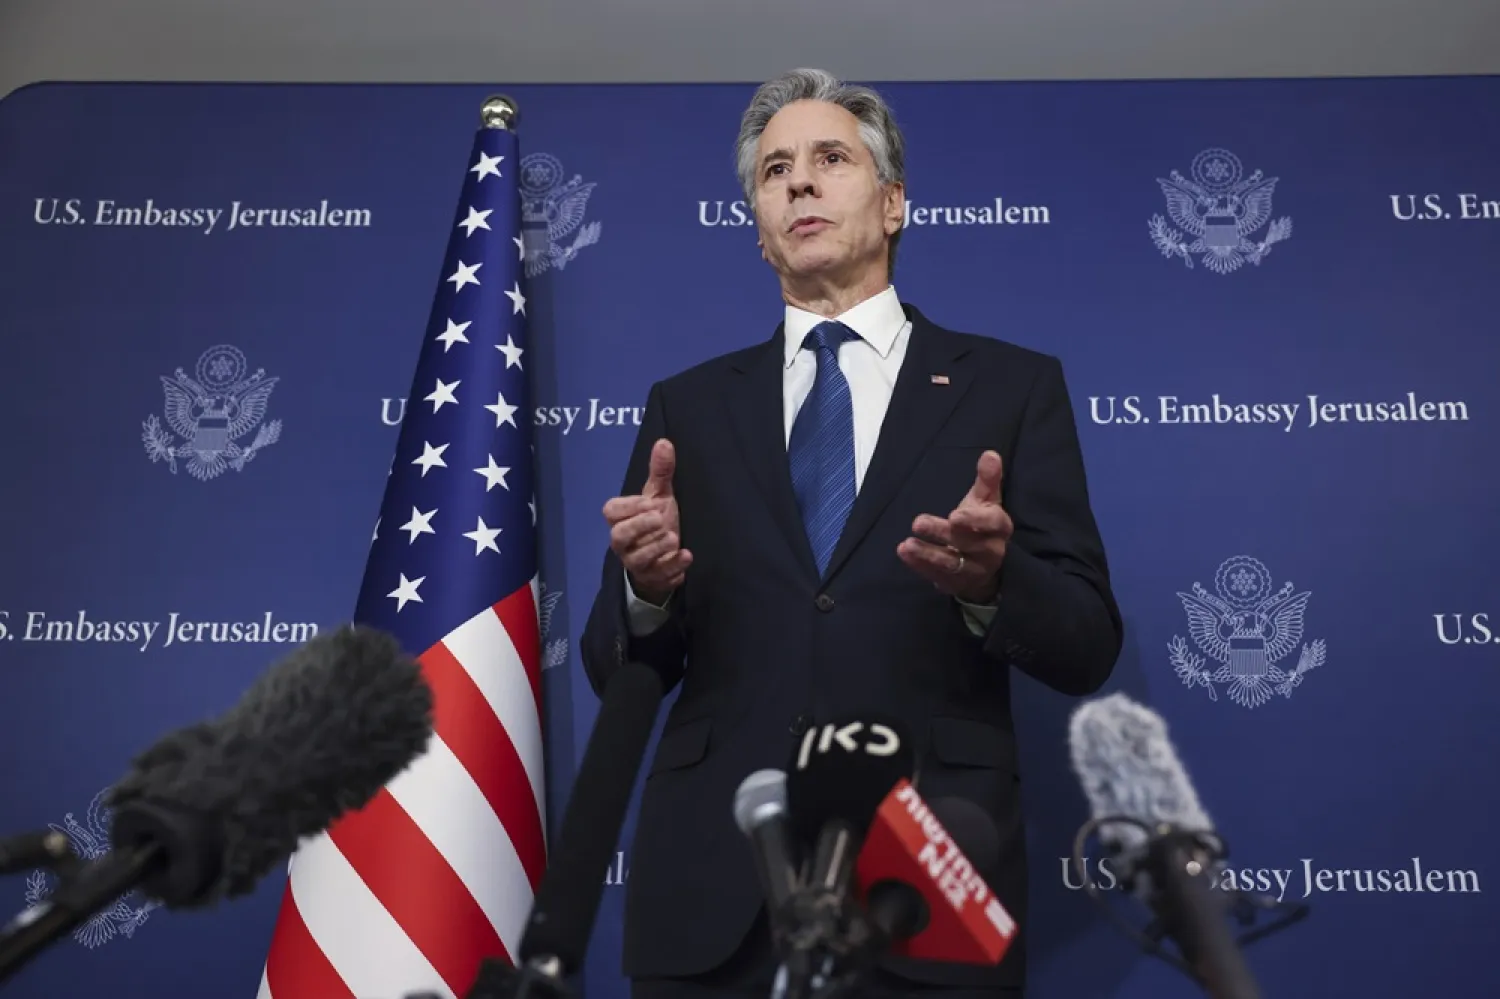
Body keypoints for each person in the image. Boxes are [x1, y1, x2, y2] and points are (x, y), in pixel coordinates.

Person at [580, 67, 1122, 999]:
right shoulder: (691, 406)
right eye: (775, 169)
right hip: (718, 890)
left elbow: (1087, 644)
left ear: (894, 202)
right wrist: (647, 589)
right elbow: (616, 666)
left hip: (930, 879)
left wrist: (996, 585)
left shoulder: (1010, 387)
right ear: (757, 230)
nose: (799, 181)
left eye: (830, 158)